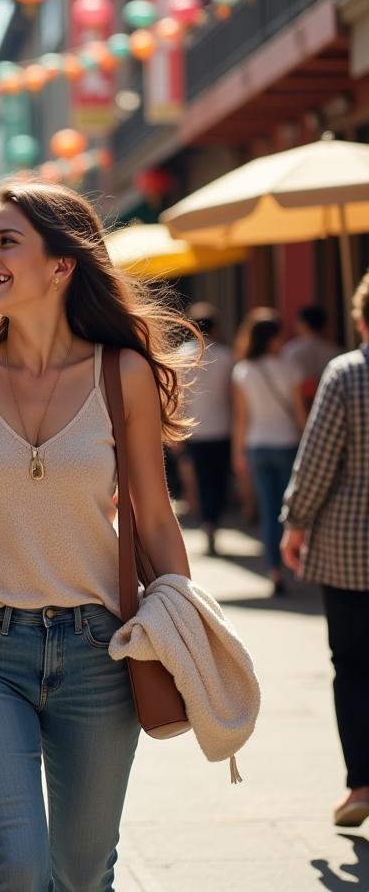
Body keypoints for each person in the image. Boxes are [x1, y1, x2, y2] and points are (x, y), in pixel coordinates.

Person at [0, 181, 196, 890]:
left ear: (61, 265)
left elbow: (153, 515)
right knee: (15, 865)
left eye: (5, 240)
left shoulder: (125, 374)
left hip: (98, 652)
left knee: (83, 873)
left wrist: (186, 627)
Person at [280, 270, 369, 829]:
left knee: (354, 668)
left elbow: (316, 464)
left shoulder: (347, 374)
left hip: (350, 551)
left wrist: (294, 524)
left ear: (362, 317)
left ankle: (362, 783)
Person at [232, 308, 307, 595]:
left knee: (267, 510)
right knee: (291, 511)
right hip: (287, 445)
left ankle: (274, 569)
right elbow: (300, 414)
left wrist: (237, 453)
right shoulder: (290, 368)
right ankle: (297, 564)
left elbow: (241, 418)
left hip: (256, 446)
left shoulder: (243, 370)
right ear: (273, 337)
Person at [178, 303, 234, 556]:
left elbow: (175, 398)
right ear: (216, 327)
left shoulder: (179, 356)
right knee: (219, 479)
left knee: (200, 478)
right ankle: (213, 519)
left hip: (192, 428)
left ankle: (206, 519)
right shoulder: (226, 356)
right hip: (222, 427)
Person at [282, 304, 343, 411]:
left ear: (303, 324)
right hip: (329, 403)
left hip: (299, 405)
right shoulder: (335, 351)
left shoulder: (289, 351)